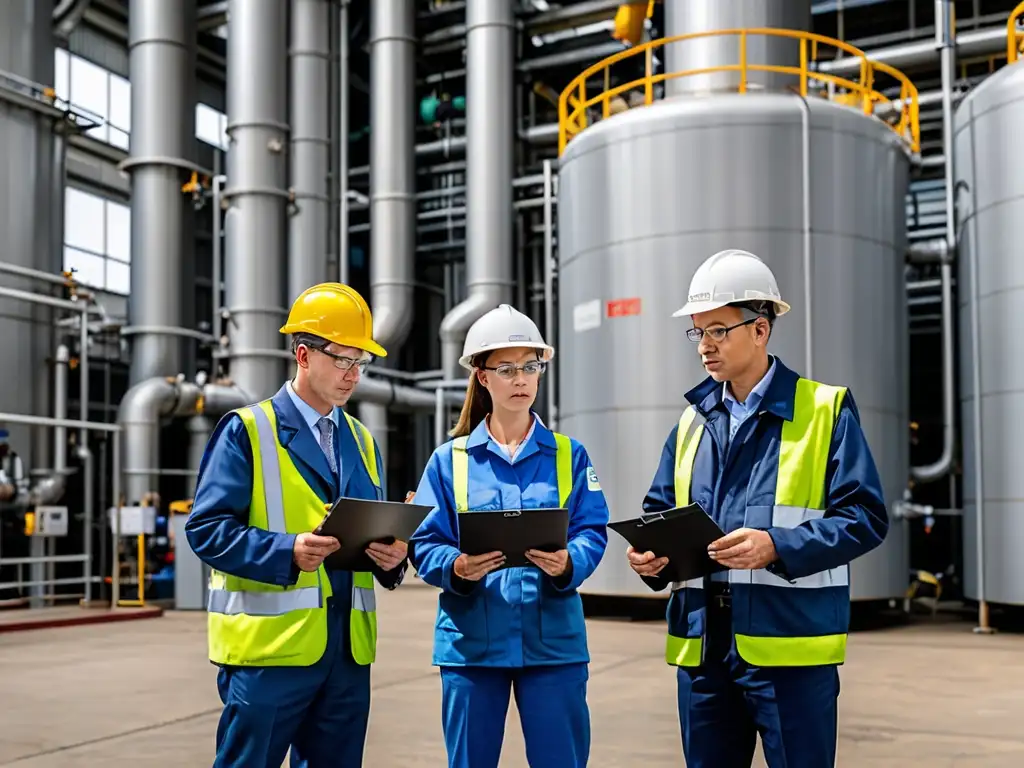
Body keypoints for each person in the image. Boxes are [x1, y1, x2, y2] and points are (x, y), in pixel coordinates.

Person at [626, 249, 890, 768]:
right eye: (697, 332)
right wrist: (649, 559)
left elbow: (865, 517)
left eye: (718, 330)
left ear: (760, 329)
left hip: (789, 647)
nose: (704, 345)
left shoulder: (824, 410)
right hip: (703, 648)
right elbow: (658, 511)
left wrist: (778, 546)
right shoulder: (689, 423)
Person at [185, 282, 409, 768]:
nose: (353, 375)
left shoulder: (363, 440)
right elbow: (206, 529)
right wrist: (286, 551)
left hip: (347, 655)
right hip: (271, 654)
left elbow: (366, 533)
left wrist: (393, 558)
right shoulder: (247, 430)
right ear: (304, 355)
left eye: (361, 363)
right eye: (343, 360)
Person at [408, 304, 610, 768]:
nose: (521, 379)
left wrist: (570, 562)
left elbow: (591, 529)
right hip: (472, 646)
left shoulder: (569, 455)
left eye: (531, 366)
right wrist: (455, 567)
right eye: (506, 368)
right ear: (482, 377)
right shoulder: (448, 460)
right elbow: (424, 541)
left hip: (553, 645)